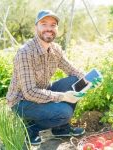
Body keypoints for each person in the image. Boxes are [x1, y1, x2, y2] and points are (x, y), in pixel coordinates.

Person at [6, 9, 86, 145]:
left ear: (57, 29)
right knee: (65, 112)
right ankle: (30, 128)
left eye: (53, 25)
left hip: (42, 95)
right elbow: (30, 92)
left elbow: (72, 70)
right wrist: (63, 96)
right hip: (22, 102)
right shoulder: (25, 53)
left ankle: (60, 128)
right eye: (44, 24)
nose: (49, 28)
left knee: (77, 81)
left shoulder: (55, 49)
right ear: (35, 27)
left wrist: (88, 79)